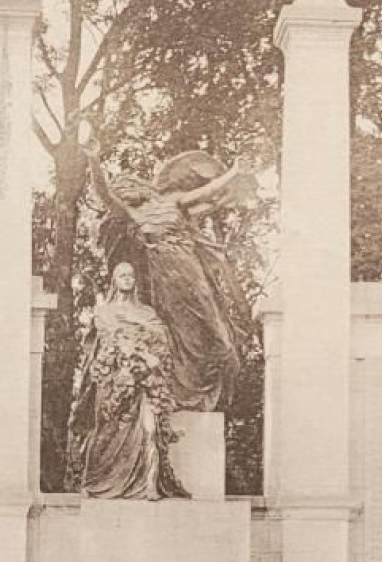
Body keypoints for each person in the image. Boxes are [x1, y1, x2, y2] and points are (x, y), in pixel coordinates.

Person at [86, 139, 255, 413]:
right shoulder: (130, 213)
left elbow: (205, 193)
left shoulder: (172, 201)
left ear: (141, 185)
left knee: (211, 325)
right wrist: (93, 160)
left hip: (190, 270)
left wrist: (234, 172)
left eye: (129, 184)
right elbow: (103, 192)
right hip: (163, 280)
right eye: (122, 189)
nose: (125, 190)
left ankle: (215, 372)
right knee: (176, 333)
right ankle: (181, 388)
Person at [69, 262, 190, 500]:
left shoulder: (147, 313)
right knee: (106, 436)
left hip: (145, 381)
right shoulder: (105, 313)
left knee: (150, 430)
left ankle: (150, 484)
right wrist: (139, 353)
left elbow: (161, 341)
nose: (127, 279)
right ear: (114, 281)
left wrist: (146, 358)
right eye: (122, 275)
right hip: (115, 383)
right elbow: (110, 342)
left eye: (131, 275)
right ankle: (98, 480)